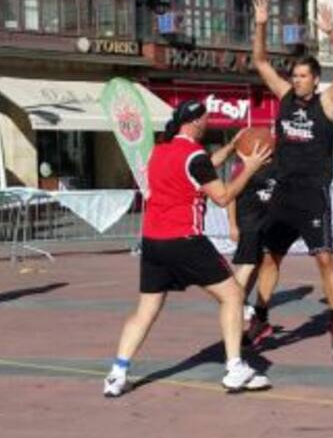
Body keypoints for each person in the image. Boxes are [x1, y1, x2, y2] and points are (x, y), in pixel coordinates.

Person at [104, 100, 273, 397]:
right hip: (184, 240)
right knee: (233, 296)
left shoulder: (160, 151)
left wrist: (231, 147)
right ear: (195, 122)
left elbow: (200, 168)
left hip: (153, 242)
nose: (208, 122)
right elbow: (223, 196)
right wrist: (249, 168)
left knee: (146, 310)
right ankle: (235, 368)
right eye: (205, 118)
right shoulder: (195, 156)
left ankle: (117, 374)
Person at [247, 0, 333, 359]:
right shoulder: (284, 97)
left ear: (315, 79)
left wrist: (332, 32)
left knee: (324, 258)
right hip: (284, 193)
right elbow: (260, 61)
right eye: (294, 75)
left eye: (303, 76)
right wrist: (261, 24)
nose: (296, 80)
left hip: (313, 194)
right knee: (270, 258)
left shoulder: (327, 102)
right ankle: (260, 317)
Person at [226, 135, 278, 318]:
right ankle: (232, 301)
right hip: (248, 223)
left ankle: (241, 300)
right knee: (248, 264)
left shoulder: (275, 166)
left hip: (264, 224)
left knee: (256, 265)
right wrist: (232, 225)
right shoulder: (243, 168)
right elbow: (230, 197)